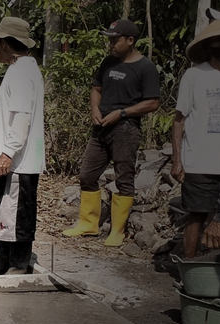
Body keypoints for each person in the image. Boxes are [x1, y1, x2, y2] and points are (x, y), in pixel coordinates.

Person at [62, 18, 161, 246]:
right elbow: (96, 89)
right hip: (101, 127)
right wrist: (94, 108)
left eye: (115, 40)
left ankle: (117, 230)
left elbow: (152, 102)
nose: (111, 44)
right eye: (110, 40)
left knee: (123, 179)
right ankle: (88, 224)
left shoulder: (146, 68)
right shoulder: (108, 62)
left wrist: (123, 113)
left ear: (130, 40)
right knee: (87, 174)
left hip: (125, 129)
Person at [0, 17, 45, 276]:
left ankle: (18, 264)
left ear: (4, 43)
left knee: (16, 212)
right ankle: (1, 261)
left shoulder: (21, 72)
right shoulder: (22, 70)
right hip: (16, 157)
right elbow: (12, 112)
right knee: (1, 209)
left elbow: (23, 117)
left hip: (19, 160)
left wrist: (7, 152)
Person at [171, 20, 220, 258]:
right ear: (209, 45)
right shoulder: (194, 75)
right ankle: (188, 269)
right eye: (218, 40)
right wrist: (177, 160)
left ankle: (216, 272)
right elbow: (179, 120)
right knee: (197, 217)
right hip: (200, 162)